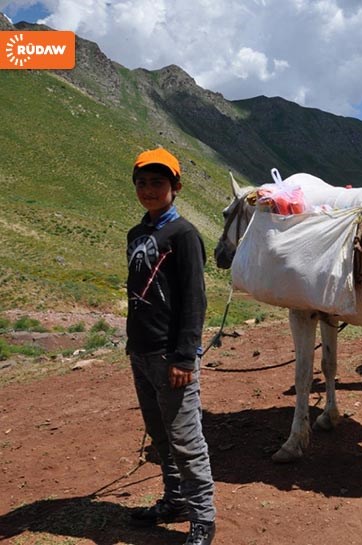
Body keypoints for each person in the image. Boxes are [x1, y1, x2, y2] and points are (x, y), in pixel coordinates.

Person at [125, 147, 216, 545]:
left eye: (158, 183)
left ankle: (203, 517)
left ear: (175, 187)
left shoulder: (184, 235)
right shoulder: (137, 234)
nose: (149, 190)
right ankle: (175, 499)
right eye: (142, 183)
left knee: (185, 438)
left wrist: (184, 356)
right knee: (159, 433)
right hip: (140, 352)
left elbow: (195, 300)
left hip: (170, 357)